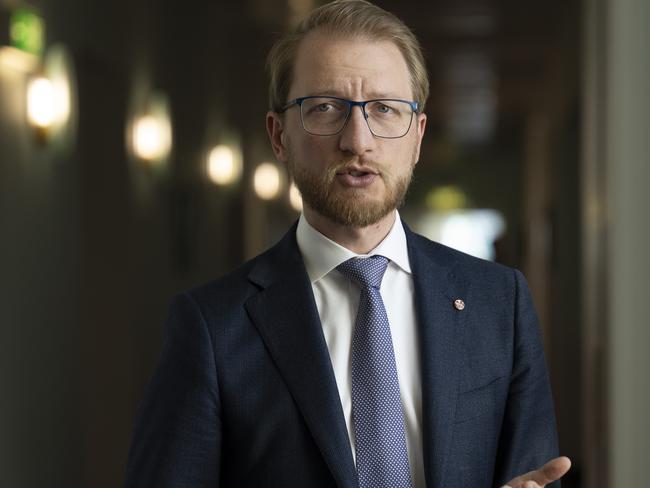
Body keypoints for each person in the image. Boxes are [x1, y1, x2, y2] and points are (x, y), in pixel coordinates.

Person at [125, 1, 571, 486]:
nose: (358, 140)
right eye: (325, 108)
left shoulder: (499, 302)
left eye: (384, 108)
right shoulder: (212, 328)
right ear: (279, 137)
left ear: (417, 136)